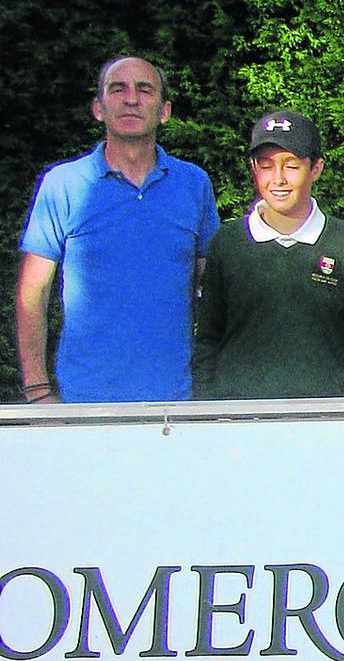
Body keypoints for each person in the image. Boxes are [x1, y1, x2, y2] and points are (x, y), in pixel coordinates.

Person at [15, 56, 218, 403]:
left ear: (164, 110)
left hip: (174, 402)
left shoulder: (193, 184)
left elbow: (212, 290)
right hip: (83, 402)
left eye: (144, 89)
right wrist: (37, 390)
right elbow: (32, 292)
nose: (131, 99)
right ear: (98, 108)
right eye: (118, 88)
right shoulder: (63, 185)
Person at [193, 110, 344, 398]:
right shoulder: (227, 243)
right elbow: (207, 339)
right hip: (239, 421)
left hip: (327, 421)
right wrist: (206, 409)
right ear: (254, 169)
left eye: (291, 166)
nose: (278, 179)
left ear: (316, 168)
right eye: (266, 166)